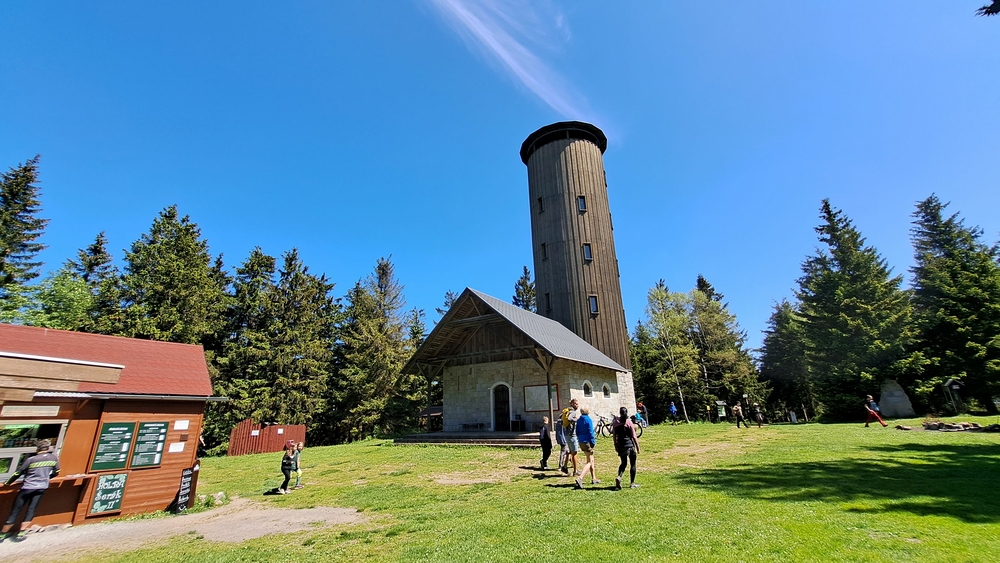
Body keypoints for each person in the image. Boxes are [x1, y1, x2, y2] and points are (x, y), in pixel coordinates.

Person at [2, 439, 60, 537]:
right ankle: (21, 532)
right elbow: (57, 472)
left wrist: (8, 483)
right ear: (48, 448)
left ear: (37, 449)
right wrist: (47, 477)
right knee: (31, 509)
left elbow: (18, 473)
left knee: (15, 511)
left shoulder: (31, 459)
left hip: (28, 487)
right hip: (42, 487)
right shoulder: (54, 458)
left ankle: (3, 534)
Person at [612, 406, 640, 489]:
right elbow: (634, 436)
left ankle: (619, 477)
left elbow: (614, 435)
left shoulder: (615, 422)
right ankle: (632, 483)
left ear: (620, 413)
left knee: (623, 463)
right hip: (629, 445)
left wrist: (615, 445)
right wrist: (638, 447)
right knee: (633, 464)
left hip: (621, 445)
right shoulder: (629, 422)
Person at [574, 406, 599, 489]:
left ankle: (594, 478)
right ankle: (580, 478)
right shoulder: (588, 420)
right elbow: (591, 432)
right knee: (589, 462)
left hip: (581, 441)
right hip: (588, 441)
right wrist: (593, 442)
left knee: (591, 459)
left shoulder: (579, 420)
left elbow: (577, 431)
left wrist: (580, 438)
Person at [564, 399, 581, 477]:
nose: (577, 405)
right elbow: (569, 419)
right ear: (572, 404)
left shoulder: (568, 411)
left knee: (570, 452)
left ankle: (564, 467)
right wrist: (576, 419)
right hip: (571, 435)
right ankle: (575, 471)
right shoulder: (573, 412)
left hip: (567, 434)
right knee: (574, 453)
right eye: (576, 404)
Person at [555, 408, 570, 474]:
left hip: (560, 439)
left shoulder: (558, 423)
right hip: (564, 439)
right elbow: (564, 431)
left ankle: (570, 462)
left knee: (567, 451)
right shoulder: (562, 423)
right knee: (563, 452)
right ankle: (560, 466)